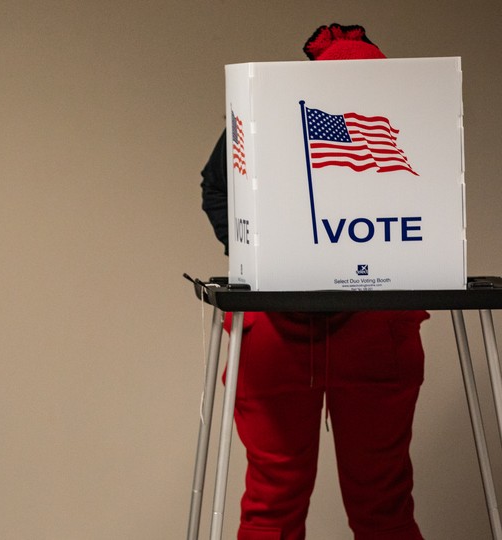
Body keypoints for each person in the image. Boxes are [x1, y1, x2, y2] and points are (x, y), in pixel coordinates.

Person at [199, 24, 429, 540]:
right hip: (295, 329)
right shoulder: (265, 112)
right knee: (370, 506)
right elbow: (219, 187)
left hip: (367, 326)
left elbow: (215, 189)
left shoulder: (404, 122)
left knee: (288, 505)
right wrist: (258, 255)